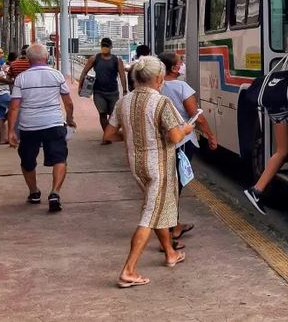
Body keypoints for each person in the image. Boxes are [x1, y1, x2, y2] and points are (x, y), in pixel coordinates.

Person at [102, 56, 194, 288]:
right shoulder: (161, 102)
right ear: (158, 78)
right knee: (149, 215)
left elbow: (109, 135)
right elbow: (174, 137)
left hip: (136, 165)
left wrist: (133, 135)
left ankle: (170, 253)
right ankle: (129, 269)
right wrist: (186, 128)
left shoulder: (123, 102)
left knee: (156, 207)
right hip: (159, 166)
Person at [7, 43, 75, 213]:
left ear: (28, 59)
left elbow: (14, 107)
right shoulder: (57, 75)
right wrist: (69, 119)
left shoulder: (21, 78)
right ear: (46, 58)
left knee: (27, 160)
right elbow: (68, 102)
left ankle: (34, 192)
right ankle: (55, 193)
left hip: (29, 126)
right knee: (60, 159)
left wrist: (11, 131)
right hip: (53, 123)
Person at [159, 52, 217, 241]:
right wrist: (210, 135)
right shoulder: (182, 87)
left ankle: (173, 224)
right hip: (182, 141)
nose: (183, 65)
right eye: (180, 63)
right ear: (174, 68)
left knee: (168, 183)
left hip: (162, 140)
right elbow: (197, 117)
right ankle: (172, 227)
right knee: (177, 185)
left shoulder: (156, 87)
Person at [242, 54, 288, 215]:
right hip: (281, 109)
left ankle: (257, 189)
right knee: (282, 151)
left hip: (278, 107)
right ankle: (256, 190)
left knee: (284, 150)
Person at [78, 38, 127, 144]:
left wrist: (125, 90)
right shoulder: (94, 58)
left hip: (113, 92)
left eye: (107, 46)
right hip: (99, 92)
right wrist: (80, 86)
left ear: (111, 47)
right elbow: (84, 72)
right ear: (101, 47)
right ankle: (106, 136)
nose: (105, 48)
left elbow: (122, 76)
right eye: (103, 46)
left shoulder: (116, 60)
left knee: (113, 115)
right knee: (102, 113)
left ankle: (110, 133)